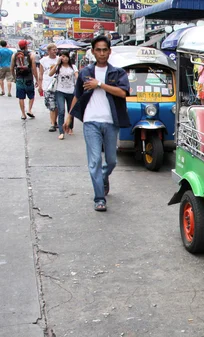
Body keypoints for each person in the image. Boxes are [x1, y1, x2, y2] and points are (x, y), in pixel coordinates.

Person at [63, 36, 130, 212]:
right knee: (94, 161)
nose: (101, 53)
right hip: (90, 122)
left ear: (109, 51)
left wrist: (99, 84)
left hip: (110, 122)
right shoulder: (85, 72)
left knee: (112, 161)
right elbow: (77, 95)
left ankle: (103, 177)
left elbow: (122, 93)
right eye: (98, 50)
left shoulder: (118, 73)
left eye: (104, 50)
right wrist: (69, 117)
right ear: (93, 51)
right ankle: (99, 198)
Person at [49, 50, 78, 140]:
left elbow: (77, 76)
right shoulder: (58, 67)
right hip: (60, 91)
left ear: (68, 57)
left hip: (71, 91)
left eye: (65, 56)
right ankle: (61, 131)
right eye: (62, 56)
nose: (64, 58)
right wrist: (57, 64)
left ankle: (70, 127)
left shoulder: (73, 67)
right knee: (61, 110)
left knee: (71, 110)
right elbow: (50, 74)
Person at [11, 40, 39, 120]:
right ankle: (29, 110)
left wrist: (14, 77)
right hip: (29, 78)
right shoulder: (31, 55)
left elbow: (12, 68)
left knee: (21, 97)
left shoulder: (14, 55)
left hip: (19, 78)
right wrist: (37, 79)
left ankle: (23, 114)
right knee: (31, 96)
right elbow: (33, 68)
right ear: (26, 46)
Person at [39, 43, 59, 132]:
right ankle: (52, 124)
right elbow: (41, 73)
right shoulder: (43, 60)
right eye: (53, 49)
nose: (55, 51)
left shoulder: (59, 59)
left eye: (56, 49)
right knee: (52, 105)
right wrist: (40, 85)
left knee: (57, 105)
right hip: (48, 85)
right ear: (48, 51)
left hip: (58, 85)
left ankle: (55, 122)